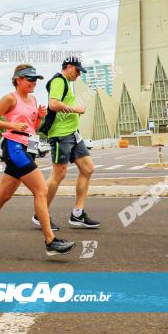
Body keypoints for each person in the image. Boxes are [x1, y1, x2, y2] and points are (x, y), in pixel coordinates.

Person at [0, 64, 75, 257]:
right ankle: (50, 240)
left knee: (4, 195)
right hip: (13, 148)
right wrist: (12, 124)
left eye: (35, 79)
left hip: (28, 147)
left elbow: (32, 127)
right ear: (18, 80)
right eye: (29, 79)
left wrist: (39, 118)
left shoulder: (33, 99)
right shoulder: (10, 98)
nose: (33, 82)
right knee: (41, 190)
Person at [37, 57, 100, 229]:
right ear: (69, 67)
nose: (79, 75)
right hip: (60, 135)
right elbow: (54, 104)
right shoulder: (59, 80)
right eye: (78, 71)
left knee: (87, 168)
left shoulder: (66, 82)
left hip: (73, 134)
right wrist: (76, 109)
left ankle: (77, 214)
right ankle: (40, 214)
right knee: (59, 174)